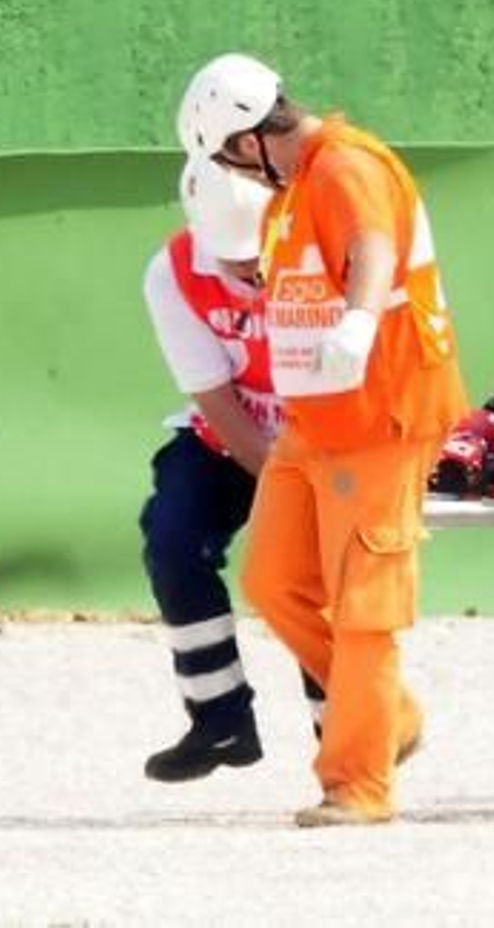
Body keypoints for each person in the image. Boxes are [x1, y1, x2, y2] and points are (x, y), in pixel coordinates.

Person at [176, 52, 469, 827]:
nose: (234, 173)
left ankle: (358, 783)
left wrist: (360, 320)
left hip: (381, 417)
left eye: (228, 157)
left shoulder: (344, 165)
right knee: (274, 580)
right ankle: (389, 713)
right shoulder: (292, 193)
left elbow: (373, 246)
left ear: (249, 138)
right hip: (316, 424)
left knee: (365, 605)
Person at [139, 157, 324, 782]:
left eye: (255, 253)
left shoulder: (319, 258)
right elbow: (215, 400)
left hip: (321, 441)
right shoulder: (171, 273)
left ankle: (344, 735)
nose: (247, 269)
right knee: (172, 540)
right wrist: (279, 487)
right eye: (232, 256)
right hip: (229, 440)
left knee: (315, 573)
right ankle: (219, 720)